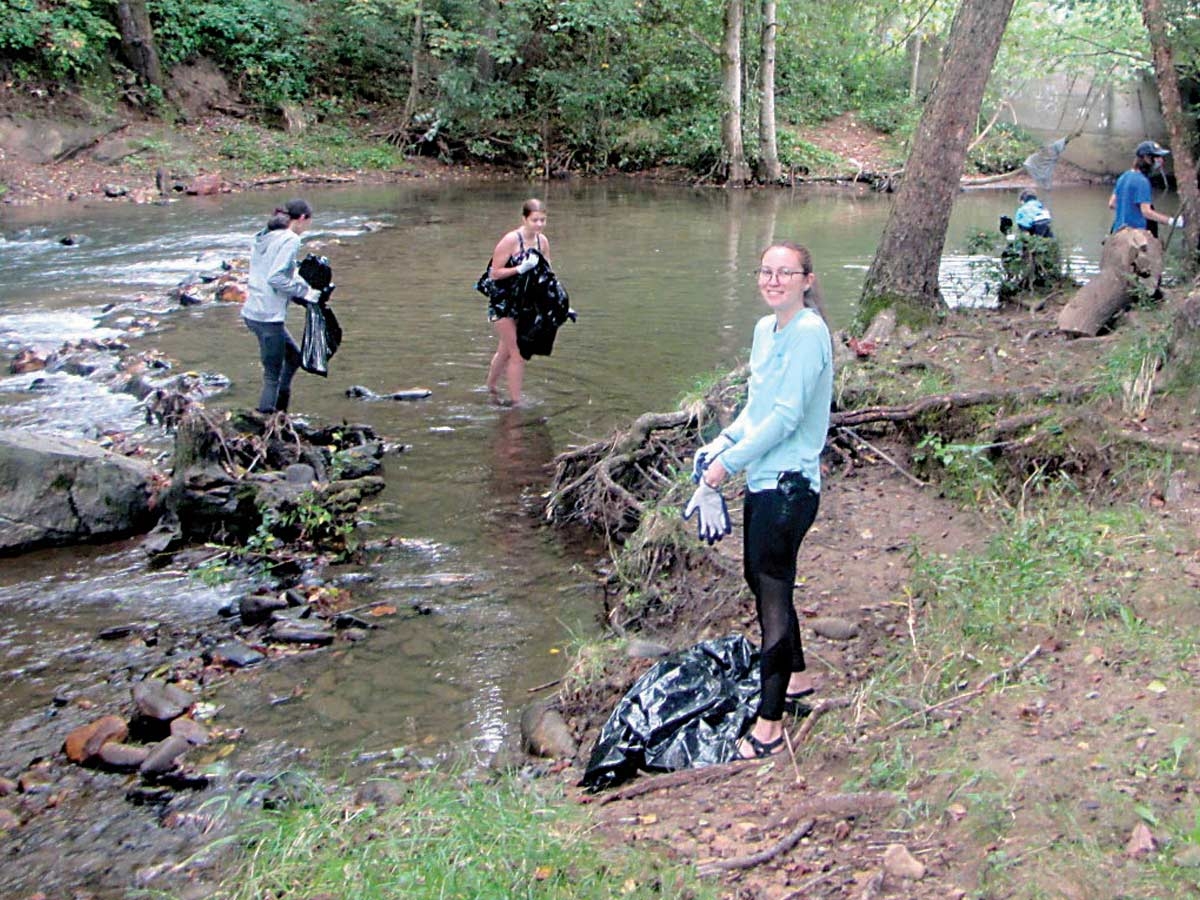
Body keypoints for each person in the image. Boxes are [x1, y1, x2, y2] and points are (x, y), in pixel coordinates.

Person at [686, 241, 834, 761]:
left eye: (785, 273)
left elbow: (787, 417)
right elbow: (755, 410)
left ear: (807, 280)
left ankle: (769, 727)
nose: (774, 281)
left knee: (771, 592)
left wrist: (730, 464)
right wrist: (719, 446)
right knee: (758, 577)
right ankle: (796, 679)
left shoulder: (810, 333)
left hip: (791, 485)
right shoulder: (762, 331)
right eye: (766, 272)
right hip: (764, 481)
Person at [243, 198, 320, 414]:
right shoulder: (290, 239)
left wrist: (301, 282)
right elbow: (276, 278)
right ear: (302, 218)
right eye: (309, 222)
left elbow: (282, 269)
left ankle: (281, 414)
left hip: (252, 312)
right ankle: (267, 422)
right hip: (268, 317)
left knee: (294, 357)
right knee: (271, 376)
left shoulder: (264, 235)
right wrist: (307, 293)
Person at [484, 198, 551, 406]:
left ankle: (490, 388)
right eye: (535, 220)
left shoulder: (543, 242)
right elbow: (494, 273)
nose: (539, 225)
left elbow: (548, 275)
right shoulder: (510, 240)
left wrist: (560, 305)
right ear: (524, 219)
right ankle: (515, 404)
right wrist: (520, 268)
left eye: (542, 220)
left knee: (505, 350)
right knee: (517, 353)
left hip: (525, 303)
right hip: (503, 302)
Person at [1109, 141, 1183, 237]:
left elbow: (1112, 204)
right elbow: (1146, 212)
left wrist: (1128, 211)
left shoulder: (1124, 176)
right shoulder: (1142, 181)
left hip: (1118, 233)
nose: (1160, 161)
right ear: (1146, 158)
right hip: (1135, 235)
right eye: (1157, 157)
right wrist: (1172, 221)